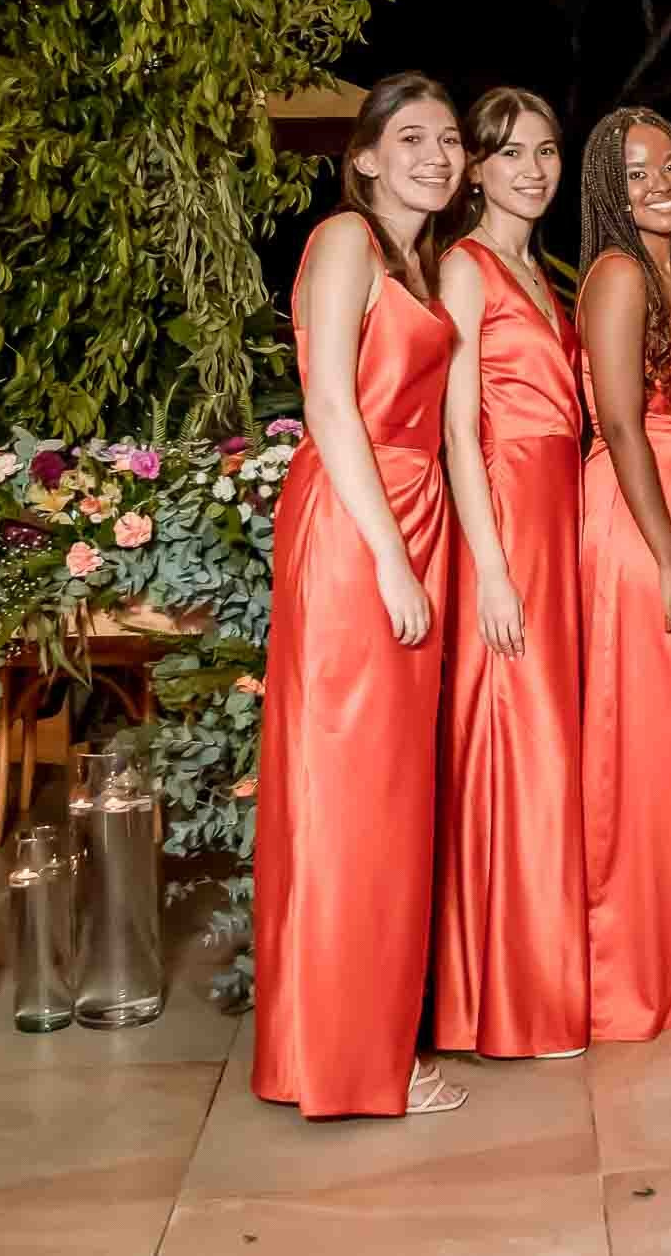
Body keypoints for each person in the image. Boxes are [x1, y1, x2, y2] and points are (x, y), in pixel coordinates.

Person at [252, 73, 467, 1117]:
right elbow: (329, 400)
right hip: (358, 516)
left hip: (404, 511)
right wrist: (387, 554)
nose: (437, 154)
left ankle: (340, 1041)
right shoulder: (345, 238)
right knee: (354, 791)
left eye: (450, 138)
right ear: (367, 155)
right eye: (413, 137)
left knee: (380, 792)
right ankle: (353, 1057)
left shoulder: (411, 257)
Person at [430, 86, 590, 1062]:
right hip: (504, 519)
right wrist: (489, 566)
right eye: (512, 153)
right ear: (476, 169)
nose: (533, 169)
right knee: (515, 744)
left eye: (546, 151)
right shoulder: (465, 265)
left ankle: (540, 980)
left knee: (547, 746)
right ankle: (505, 999)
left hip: (556, 518)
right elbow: (455, 424)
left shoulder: (542, 277)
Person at [575, 105, 671, 1038]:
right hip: (641, 530)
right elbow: (621, 425)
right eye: (635, 174)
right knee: (645, 752)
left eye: (670, 164)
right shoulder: (619, 272)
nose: (660, 185)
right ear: (608, 189)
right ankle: (628, 979)